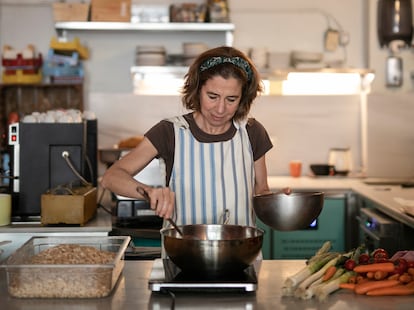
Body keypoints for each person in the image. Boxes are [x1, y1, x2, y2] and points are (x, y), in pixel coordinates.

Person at [101, 46, 273, 227]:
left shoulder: (251, 132)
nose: (220, 109)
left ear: (243, 98)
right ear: (197, 90)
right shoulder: (170, 132)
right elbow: (111, 177)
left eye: (231, 99)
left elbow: (261, 191)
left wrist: (280, 203)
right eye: (212, 96)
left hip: (241, 251)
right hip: (182, 251)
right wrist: (149, 191)